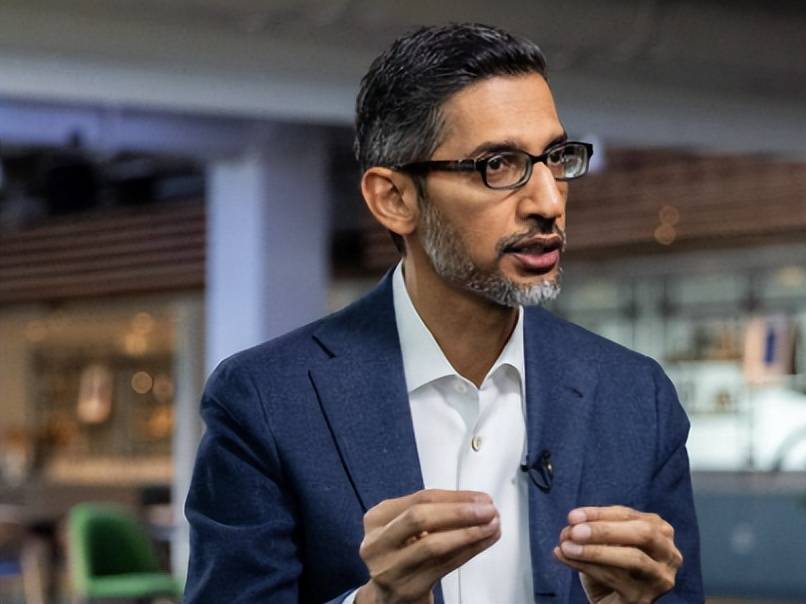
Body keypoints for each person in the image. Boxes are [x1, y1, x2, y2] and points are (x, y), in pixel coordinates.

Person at [185, 23, 703, 604]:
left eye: (556, 158)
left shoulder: (637, 398)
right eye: (498, 165)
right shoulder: (266, 400)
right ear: (394, 199)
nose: (548, 201)